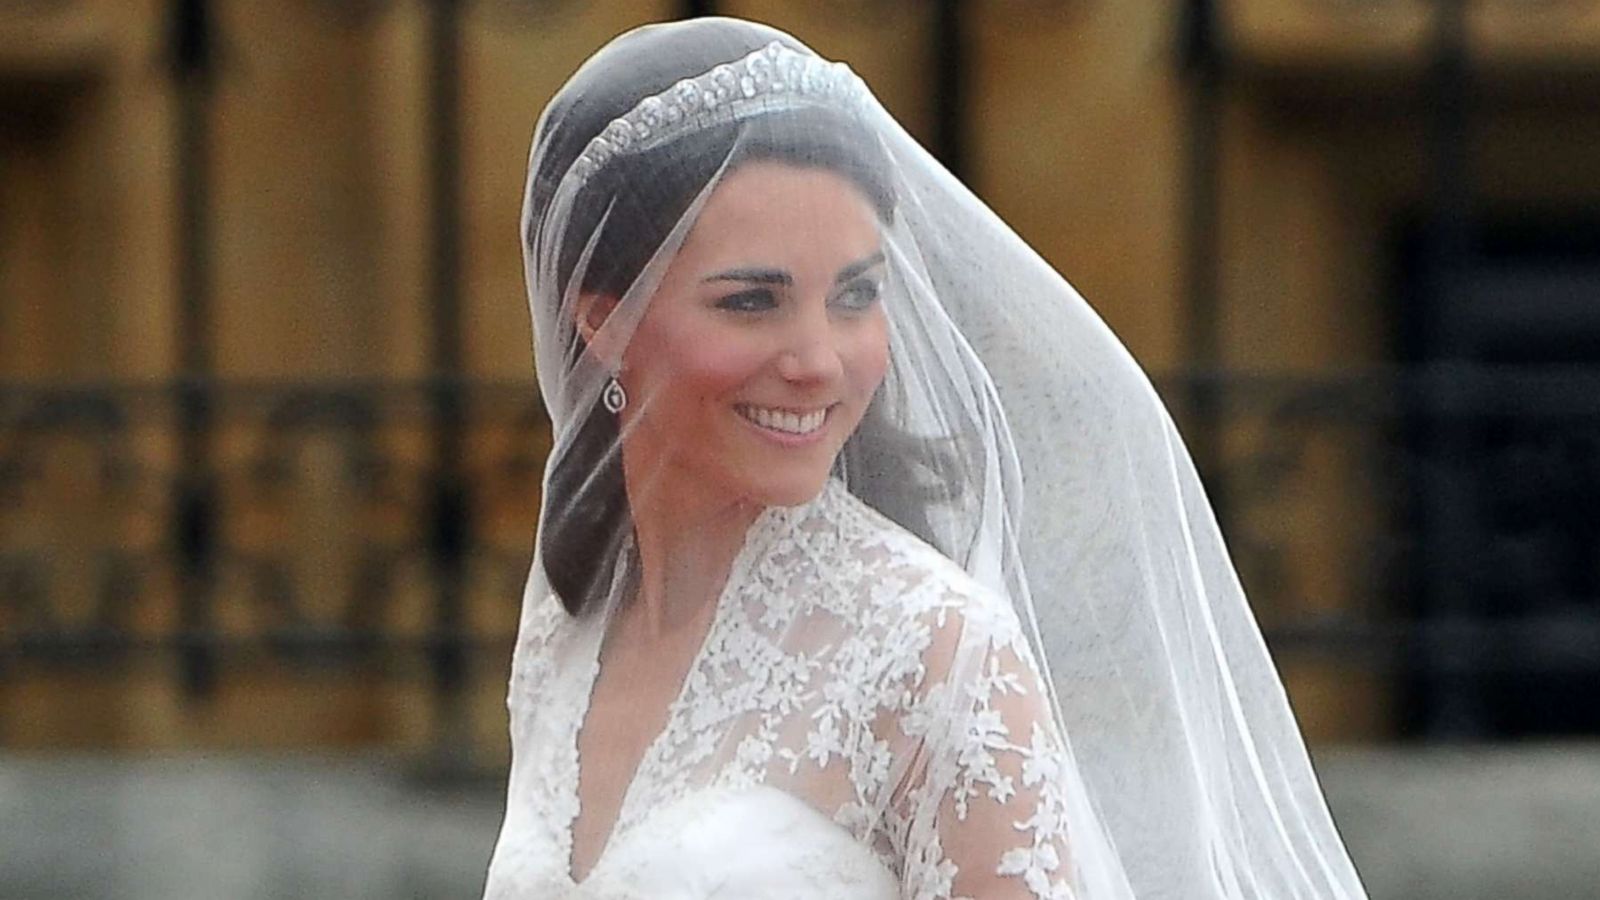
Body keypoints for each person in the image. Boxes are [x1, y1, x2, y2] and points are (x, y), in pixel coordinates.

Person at [484, 17, 1367, 900]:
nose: (818, 360)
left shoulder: (936, 652)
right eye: (752, 301)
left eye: (856, 295)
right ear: (602, 320)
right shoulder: (566, 628)